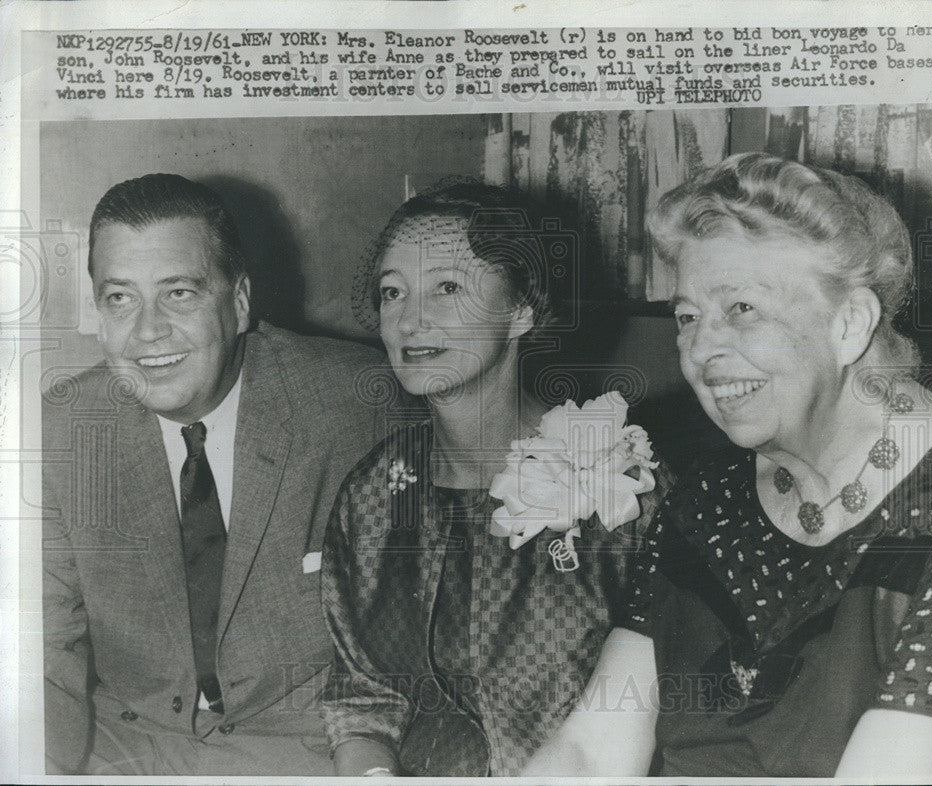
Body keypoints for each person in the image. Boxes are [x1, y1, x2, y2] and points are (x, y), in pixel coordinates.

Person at [523, 153, 932, 777]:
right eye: (688, 317)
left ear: (850, 323)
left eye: (742, 309)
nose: (701, 350)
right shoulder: (708, 497)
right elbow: (593, 748)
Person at [320, 181, 670, 776]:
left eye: (447, 288)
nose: (409, 320)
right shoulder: (376, 495)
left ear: (522, 309)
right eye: (392, 293)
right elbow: (361, 698)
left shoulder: (626, 486)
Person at [42, 174, 388, 775]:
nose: (147, 331)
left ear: (241, 302)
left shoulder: (359, 403)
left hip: (304, 746)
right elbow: (45, 647)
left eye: (179, 293)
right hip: (125, 742)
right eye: (119, 298)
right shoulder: (64, 430)